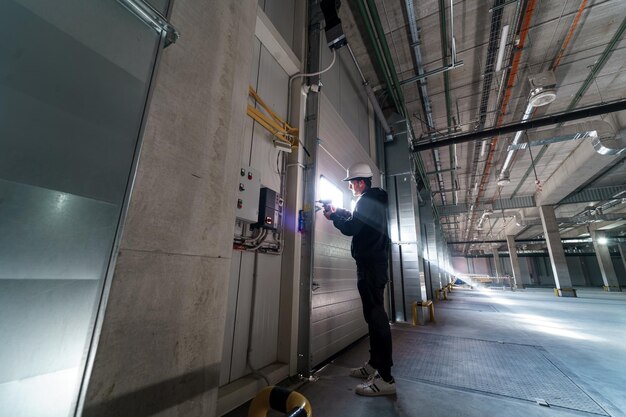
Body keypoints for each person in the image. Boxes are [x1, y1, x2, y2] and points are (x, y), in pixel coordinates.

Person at [322, 161, 395, 396]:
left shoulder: (366, 200)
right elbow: (359, 222)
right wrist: (338, 213)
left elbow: (352, 228)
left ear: (360, 182)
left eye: (351, 183)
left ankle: (385, 377)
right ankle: (374, 364)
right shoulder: (373, 200)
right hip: (373, 265)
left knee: (377, 319)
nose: (350, 187)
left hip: (371, 267)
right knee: (372, 317)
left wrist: (334, 218)